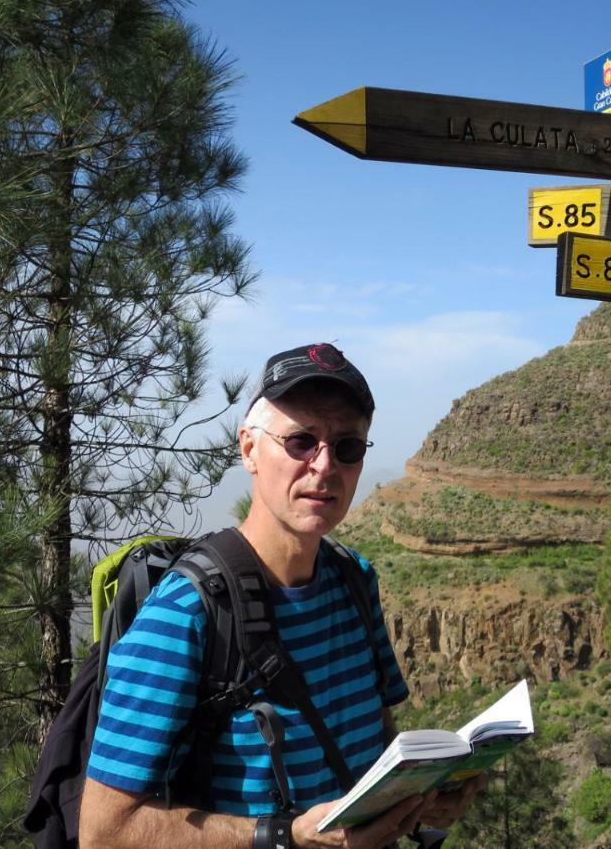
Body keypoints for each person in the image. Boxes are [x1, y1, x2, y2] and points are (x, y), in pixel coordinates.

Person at [79, 343, 483, 848]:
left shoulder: (355, 579)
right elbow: (105, 832)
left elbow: (373, 744)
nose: (324, 465)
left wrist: (420, 798)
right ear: (249, 448)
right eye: (300, 441)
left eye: (347, 447)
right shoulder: (185, 612)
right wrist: (284, 836)